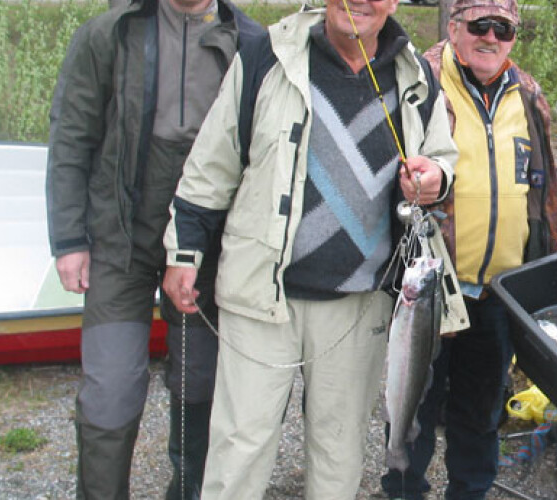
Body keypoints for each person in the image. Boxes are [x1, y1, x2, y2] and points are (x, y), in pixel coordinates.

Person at [161, 0, 458, 497]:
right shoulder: (264, 56)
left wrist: (434, 178)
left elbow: (442, 161)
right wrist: (184, 253)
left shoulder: (418, 75)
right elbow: (210, 166)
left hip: (359, 305)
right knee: (240, 445)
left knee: (340, 453)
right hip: (260, 295)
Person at [379, 0, 557, 497]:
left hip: (499, 292)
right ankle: (402, 488)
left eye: (505, 28)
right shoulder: (420, 81)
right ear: (454, 27)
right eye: (481, 25)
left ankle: (470, 491)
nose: (492, 37)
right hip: (431, 287)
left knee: (480, 415)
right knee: (413, 407)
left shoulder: (527, 92)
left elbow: (530, 169)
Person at [45, 0, 261, 498]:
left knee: (200, 384)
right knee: (109, 391)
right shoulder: (109, 34)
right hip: (118, 244)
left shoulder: (249, 42)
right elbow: (71, 137)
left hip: (204, 250)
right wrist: (70, 239)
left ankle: (189, 490)